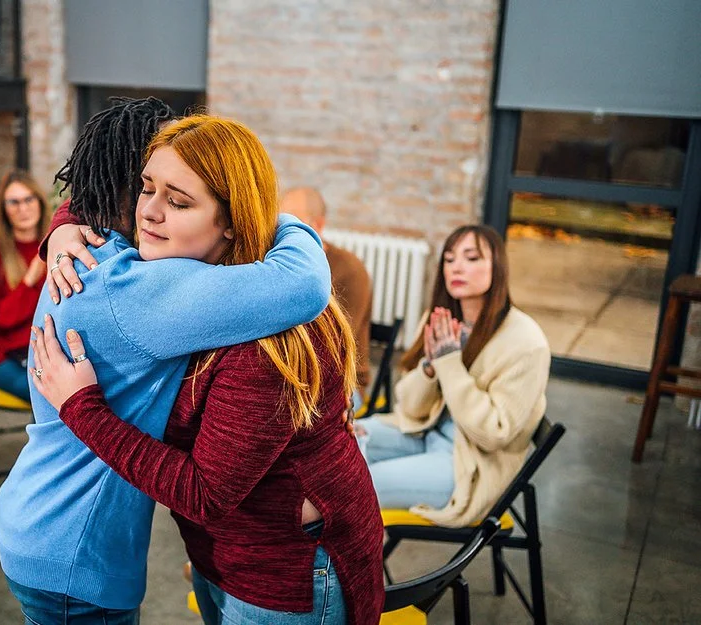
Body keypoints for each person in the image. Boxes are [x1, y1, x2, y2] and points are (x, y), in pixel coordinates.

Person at [30, 115, 384, 625]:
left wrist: (82, 410)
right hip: (221, 553)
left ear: (231, 221)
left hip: (288, 569)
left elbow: (206, 493)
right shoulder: (186, 289)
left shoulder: (265, 340)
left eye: (178, 202)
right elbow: (102, 190)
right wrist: (65, 222)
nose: (148, 212)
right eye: (146, 188)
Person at [354, 225, 550, 527]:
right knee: (335, 444)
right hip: (424, 433)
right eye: (449, 259)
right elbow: (410, 409)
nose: (456, 267)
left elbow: (493, 434)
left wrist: (449, 362)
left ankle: (323, 556)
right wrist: (430, 368)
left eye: (471, 258)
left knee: (350, 487)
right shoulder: (441, 320)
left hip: (468, 466)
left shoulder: (526, 342)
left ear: (497, 266)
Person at [281, 187, 373, 414]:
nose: (283, 232)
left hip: (343, 384)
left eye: (294, 223)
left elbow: (333, 348)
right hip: (294, 372)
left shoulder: (349, 269)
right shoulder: (283, 262)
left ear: (318, 225)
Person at [0, 170, 49, 400]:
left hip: (46, 349)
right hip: (3, 355)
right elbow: (0, 319)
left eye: (28, 199)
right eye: (13, 202)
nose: (22, 208)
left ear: (39, 202)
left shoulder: (54, 244)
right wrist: (30, 280)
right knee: (47, 395)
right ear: (3, 209)